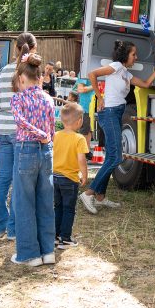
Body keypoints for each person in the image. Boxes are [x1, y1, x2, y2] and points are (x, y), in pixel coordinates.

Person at [79, 41, 155, 214]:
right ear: (125, 55)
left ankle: (100, 197)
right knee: (116, 156)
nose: (136, 57)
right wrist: (100, 98)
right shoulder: (116, 67)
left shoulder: (125, 73)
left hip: (117, 113)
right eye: (133, 54)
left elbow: (147, 84)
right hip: (109, 113)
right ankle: (89, 193)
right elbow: (92, 74)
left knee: (111, 156)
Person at [9, 53, 56, 266]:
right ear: (39, 77)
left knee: (24, 201)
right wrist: (46, 138)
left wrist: (38, 133)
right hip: (46, 150)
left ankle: (29, 254)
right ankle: (48, 251)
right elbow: (52, 126)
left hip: (26, 149)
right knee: (45, 201)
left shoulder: (18, 98)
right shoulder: (47, 98)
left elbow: (19, 121)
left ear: (21, 78)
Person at [0, 33, 39, 240]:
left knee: (3, 178)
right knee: (20, 181)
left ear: (15, 48)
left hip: (2, 127)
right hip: (21, 130)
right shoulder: (30, 71)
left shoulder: (2, 70)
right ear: (33, 48)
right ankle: (13, 229)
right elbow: (34, 103)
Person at [53, 101, 89, 248]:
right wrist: (85, 175)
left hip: (55, 177)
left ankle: (55, 235)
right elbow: (81, 159)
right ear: (79, 121)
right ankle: (66, 238)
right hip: (70, 179)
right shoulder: (79, 138)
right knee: (69, 209)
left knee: (58, 207)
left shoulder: (55, 135)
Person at [72, 75, 94, 149]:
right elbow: (80, 89)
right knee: (84, 131)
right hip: (86, 107)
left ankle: (86, 151)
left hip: (93, 107)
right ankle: (81, 151)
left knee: (89, 131)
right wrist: (95, 85)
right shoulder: (83, 71)